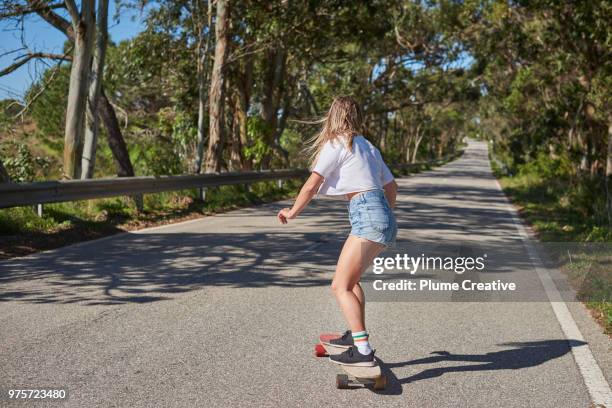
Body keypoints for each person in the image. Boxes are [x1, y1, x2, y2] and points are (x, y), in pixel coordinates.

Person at [277, 96, 398, 366]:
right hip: (382, 216)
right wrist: (383, 213)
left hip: (367, 214)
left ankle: (363, 351)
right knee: (352, 282)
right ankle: (357, 339)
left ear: (332, 116)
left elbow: (311, 186)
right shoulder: (369, 147)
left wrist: (292, 212)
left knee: (339, 286)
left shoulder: (336, 143)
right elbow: (392, 187)